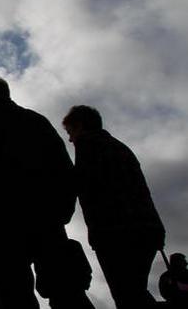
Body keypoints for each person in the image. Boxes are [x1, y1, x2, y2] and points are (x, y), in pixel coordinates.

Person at [0, 78, 78, 309]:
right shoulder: (36, 120)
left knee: (14, 293)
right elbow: (64, 168)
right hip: (45, 218)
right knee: (62, 288)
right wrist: (63, 211)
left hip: (0, 223)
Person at [63, 105, 165, 309]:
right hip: (147, 230)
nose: (70, 139)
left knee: (127, 295)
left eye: (70, 132)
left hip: (116, 233)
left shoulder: (88, 145)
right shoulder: (118, 146)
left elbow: (82, 183)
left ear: (80, 126)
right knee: (136, 291)